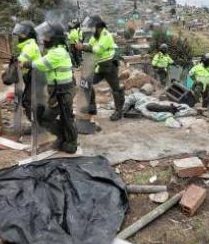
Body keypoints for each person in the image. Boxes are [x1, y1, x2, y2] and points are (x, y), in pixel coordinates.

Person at [22, 23, 78, 153]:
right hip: (59, 90)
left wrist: (25, 63)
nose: (44, 40)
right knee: (65, 117)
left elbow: (41, 64)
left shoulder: (57, 52)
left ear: (54, 39)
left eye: (47, 37)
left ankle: (70, 142)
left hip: (63, 91)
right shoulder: (55, 50)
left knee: (49, 119)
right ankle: (64, 137)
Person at [78, 15, 125, 121]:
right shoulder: (95, 36)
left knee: (115, 89)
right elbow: (89, 45)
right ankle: (91, 108)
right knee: (85, 83)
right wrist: (81, 46)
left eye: (92, 26)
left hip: (110, 66)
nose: (91, 28)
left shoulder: (106, 35)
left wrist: (84, 47)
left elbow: (98, 50)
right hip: (99, 67)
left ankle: (119, 112)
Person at [13, 20, 41, 120]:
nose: (19, 35)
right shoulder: (29, 45)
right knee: (30, 101)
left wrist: (15, 63)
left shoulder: (29, 46)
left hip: (35, 77)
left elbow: (20, 63)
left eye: (22, 32)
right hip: (33, 76)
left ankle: (37, 125)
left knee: (29, 102)